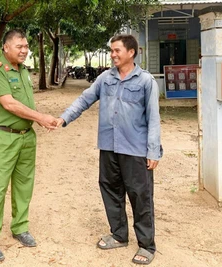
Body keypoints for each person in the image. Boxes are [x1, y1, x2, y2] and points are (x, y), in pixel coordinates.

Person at [56, 34, 162, 265]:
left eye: (117, 50)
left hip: (135, 149)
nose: (113, 54)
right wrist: (64, 118)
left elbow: (154, 118)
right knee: (111, 191)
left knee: (140, 196)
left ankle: (146, 245)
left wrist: (153, 151)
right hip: (109, 146)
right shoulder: (105, 78)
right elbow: (84, 100)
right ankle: (119, 235)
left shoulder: (146, 81)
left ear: (131, 52)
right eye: (111, 51)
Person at [0, 29, 57, 261]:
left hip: (26, 136)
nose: (24, 50)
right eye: (19, 47)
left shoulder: (23, 71)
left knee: (24, 186)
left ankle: (20, 228)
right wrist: (40, 117)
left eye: (26, 46)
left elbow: (24, 103)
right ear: (5, 47)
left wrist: (34, 120)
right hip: (4, 137)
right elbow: (9, 104)